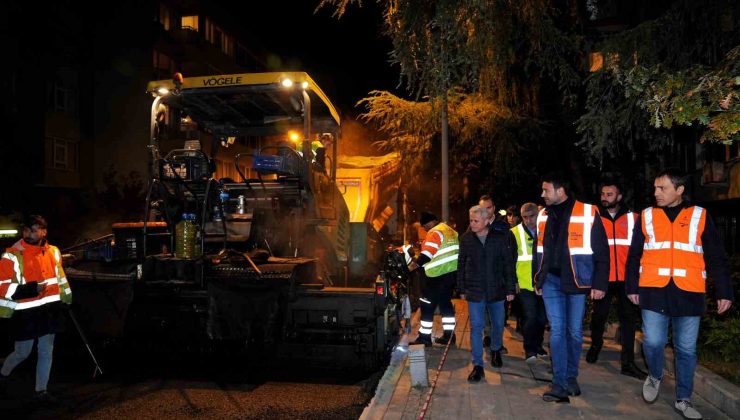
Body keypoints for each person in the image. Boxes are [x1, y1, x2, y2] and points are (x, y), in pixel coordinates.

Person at [626, 168, 733, 420]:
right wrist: (631, 286)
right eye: (654, 188)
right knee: (652, 341)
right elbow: (634, 256)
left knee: (685, 349)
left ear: (680, 190)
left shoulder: (699, 216)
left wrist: (724, 290)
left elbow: (716, 256)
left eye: (662, 188)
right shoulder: (647, 216)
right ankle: (655, 374)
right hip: (653, 289)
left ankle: (683, 398)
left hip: (689, 292)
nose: (656, 193)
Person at [534, 173, 609, 403]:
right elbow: (538, 250)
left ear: (560, 190)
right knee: (557, 330)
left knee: (574, 332)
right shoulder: (542, 215)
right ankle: (559, 383)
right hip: (551, 282)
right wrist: (537, 278)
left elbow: (602, 251)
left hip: (577, 281)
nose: (543, 194)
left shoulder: (588, 212)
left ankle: (571, 377)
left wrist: (600, 283)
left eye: (546, 190)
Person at [0, 215, 72, 402]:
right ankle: (3, 373)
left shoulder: (53, 252)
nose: (28, 233)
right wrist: (31, 289)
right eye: (26, 230)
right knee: (22, 353)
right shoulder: (12, 255)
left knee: (46, 351)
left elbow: (60, 278)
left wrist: (66, 298)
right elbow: (3, 287)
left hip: (49, 311)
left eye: (33, 229)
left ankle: (41, 391)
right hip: (26, 313)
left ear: (43, 231)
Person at [586, 180, 646, 379]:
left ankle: (627, 363)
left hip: (627, 280)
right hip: (603, 278)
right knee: (598, 317)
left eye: (610, 194)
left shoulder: (635, 219)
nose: (605, 197)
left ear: (619, 197)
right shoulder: (593, 219)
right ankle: (596, 345)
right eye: (603, 194)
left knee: (628, 320)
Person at [458, 205, 516, 382]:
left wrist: (510, 288)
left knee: (498, 324)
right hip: (475, 291)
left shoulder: (499, 238)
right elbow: (461, 265)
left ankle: (496, 349)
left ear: (485, 221)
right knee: (476, 327)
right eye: (471, 220)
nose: (472, 224)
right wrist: (461, 288)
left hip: (496, 290)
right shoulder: (466, 239)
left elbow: (508, 264)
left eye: (476, 221)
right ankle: (478, 365)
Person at [409, 212, 459, 346]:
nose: (425, 229)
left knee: (426, 306)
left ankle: (425, 338)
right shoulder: (451, 232)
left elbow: (426, 255)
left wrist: (412, 266)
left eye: (424, 226)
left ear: (428, 223)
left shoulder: (434, 232)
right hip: (450, 275)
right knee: (445, 305)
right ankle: (449, 336)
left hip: (435, 276)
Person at [510, 202, 547, 364]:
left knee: (542, 318)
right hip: (525, 284)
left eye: (531, 216)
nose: (528, 220)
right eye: (524, 217)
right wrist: (513, 281)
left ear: (538, 215)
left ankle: (538, 346)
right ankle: (530, 349)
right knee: (530, 317)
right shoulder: (514, 233)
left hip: (544, 283)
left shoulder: (546, 229)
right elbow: (509, 261)